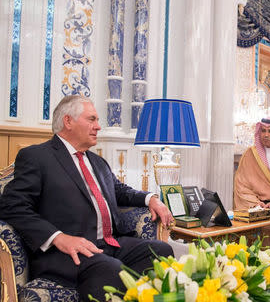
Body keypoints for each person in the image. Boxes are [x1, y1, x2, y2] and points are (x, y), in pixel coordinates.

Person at [0, 95, 175, 301]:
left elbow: (120, 191)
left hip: (109, 244)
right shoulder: (37, 157)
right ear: (68, 121)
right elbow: (12, 206)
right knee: (111, 270)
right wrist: (58, 237)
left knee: (161, 251)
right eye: (92, 119)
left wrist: (151, 199)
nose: (98, 126)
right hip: (66, 253)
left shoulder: (97, 161)